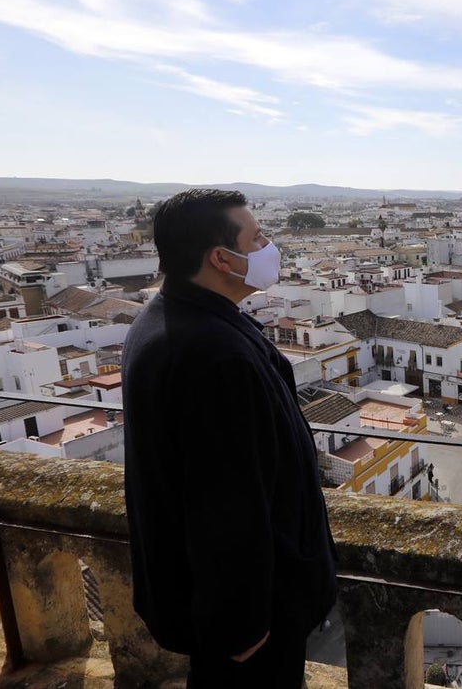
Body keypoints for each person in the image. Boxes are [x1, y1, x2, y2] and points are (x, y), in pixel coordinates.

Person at [122, 189, 337, 688]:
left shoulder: (172, 321)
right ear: (221, 258)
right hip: (252, 616)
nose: (269, 246)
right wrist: (242, 624)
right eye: (257, 238)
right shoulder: (213, 356)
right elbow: (224, 502)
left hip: (220, 600)